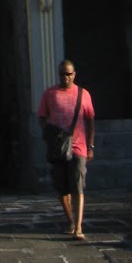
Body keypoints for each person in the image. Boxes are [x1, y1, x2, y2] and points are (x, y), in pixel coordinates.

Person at [36, 59, 95, 237]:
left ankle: (78, 227)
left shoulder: (83, 94)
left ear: (74, 74)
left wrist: (90, 146)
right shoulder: (50, 94)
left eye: (69, 74)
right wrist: (49, 134)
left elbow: (90, 120)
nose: (65, 77)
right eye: (62, 74)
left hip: (78, 146)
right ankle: (70, 220)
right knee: (62, 188)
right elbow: (41, 116)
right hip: (58, 148)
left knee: (77, 186)